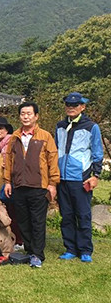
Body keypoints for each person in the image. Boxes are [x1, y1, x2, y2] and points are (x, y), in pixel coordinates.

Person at [3, 102, 60, 268]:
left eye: (29, 114)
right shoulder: (14, 137)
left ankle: (37, 254)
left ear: (36, 116)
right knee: (23, 221)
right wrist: (8, 182)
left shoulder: (45, 136)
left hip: (38, 186)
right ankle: (29, 250)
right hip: (19, 186)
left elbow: (52, 160)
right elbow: (9, 161)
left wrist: (53, 183)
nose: (26, 117)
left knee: (37, 222)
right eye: (23, 114)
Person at [55, 92, 103, 263]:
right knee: (66, 215)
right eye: (68, 105)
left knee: (83, 215)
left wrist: (95, 175)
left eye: (75, 105)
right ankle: (70, 248)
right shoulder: (60, 126)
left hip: (80, 178)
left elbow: (97, 153)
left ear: (82, 107)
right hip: (62, 179)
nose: (71, 108)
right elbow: (55, 151)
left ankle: (85, 249)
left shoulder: (91, 127)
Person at [0, 117, 23, 247]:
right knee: (5, 214)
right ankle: (9, 239)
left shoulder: (11, 144)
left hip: (11, 184)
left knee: (14, 214)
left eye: (0, 128)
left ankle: (19, 241)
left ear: (6, 130)